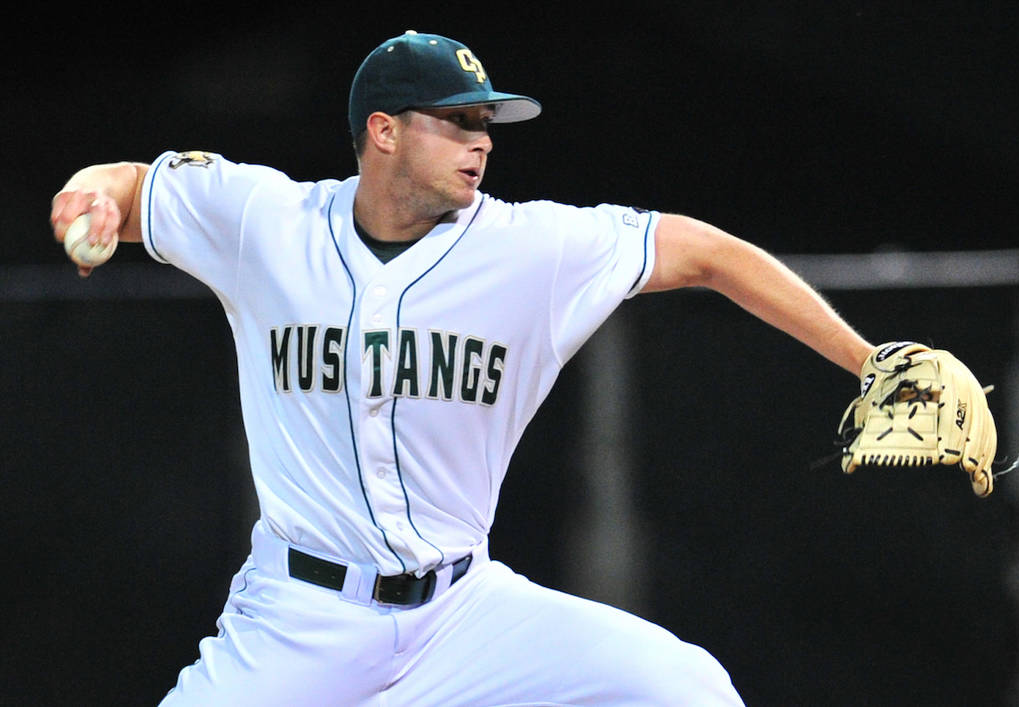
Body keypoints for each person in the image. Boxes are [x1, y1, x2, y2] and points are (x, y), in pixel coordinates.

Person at [50, 31, 875, 706]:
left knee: (685, 689)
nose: (482, 140)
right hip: (300, 624)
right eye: (456, 120)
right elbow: (128, 186)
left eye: (486, 122)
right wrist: (89, 196)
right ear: (384, 130)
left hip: (461, 612)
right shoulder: (267, 222)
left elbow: (704, 252)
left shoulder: (527, 249)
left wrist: (871, 361)